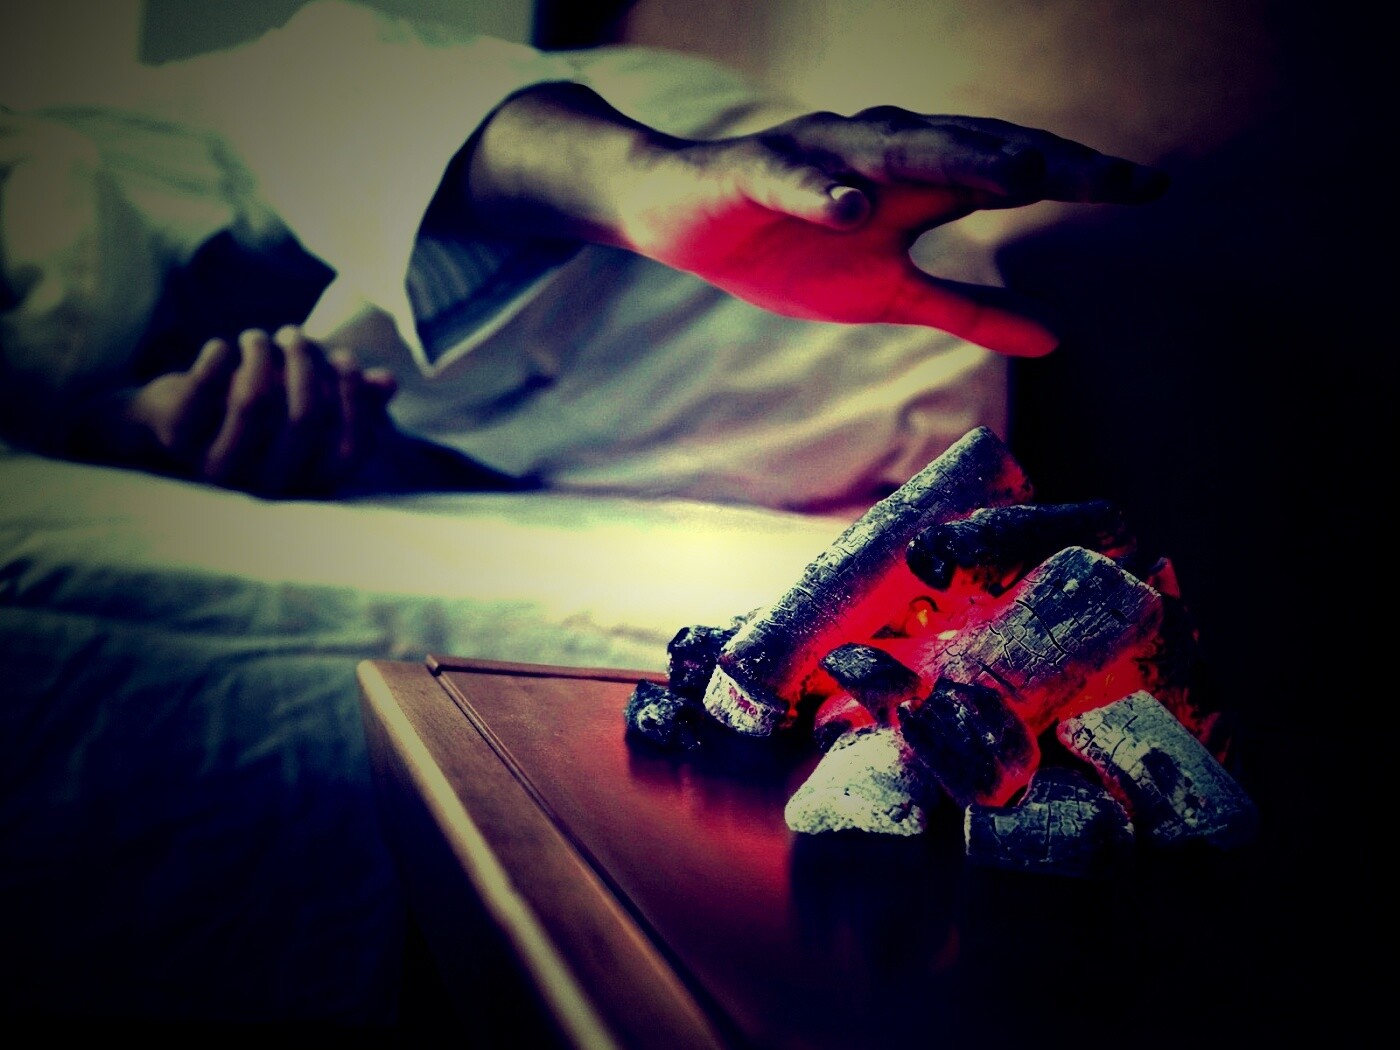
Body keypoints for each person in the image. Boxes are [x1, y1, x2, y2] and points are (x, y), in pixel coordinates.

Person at [0, 0, 1167, 507]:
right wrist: (134, 437)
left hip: (759, 238)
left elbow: (329, 96)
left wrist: (642, 180)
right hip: (905, 442)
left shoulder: (145, 160)